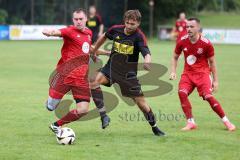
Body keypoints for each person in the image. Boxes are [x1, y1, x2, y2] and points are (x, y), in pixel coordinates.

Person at [91, 9, 165, 136]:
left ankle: (155, 127)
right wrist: (94, 50)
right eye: (127, 23)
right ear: (124, 21)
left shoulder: (139, 36)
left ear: (138, 24)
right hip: (111, 68)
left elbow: (146, 52)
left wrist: (147, 62)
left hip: (128, 75)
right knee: (93, 82)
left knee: (141, 104)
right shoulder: (115, 29)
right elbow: (104, 37)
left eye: (132, 24)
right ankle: (104, 116)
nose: (129, 26)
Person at [42, 8, 109, 135]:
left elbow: (89, 48)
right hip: (64, 76)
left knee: (83, 110)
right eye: (76, 19)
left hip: (80, 78)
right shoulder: (69, 31)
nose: (78, 21)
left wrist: (105, 52)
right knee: (51, 107)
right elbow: (57, 32)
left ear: (86, 19)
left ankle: (56, 125)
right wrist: (49, 32)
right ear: (73, 20)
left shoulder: (88, 33)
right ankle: (50, 102)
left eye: (81, 19)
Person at [169, 17, 236, 131]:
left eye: (191, 26)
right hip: (188, 74)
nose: (188, 29)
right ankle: (191, 122)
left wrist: (215, 81)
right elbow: (175, 57)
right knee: (182, 93)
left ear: (198, 28)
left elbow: (212, 62)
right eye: (187, 27)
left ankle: (227, 122)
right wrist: (173, 71)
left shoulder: (206, 44)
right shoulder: (182, 41)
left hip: (203, 74)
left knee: (208, 97)